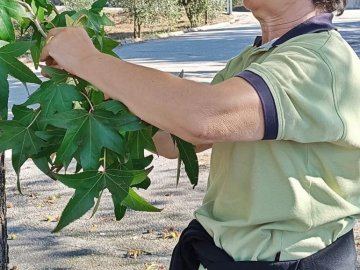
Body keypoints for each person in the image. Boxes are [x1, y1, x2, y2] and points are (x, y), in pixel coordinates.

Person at [40, 0, 360, 269]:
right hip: (227, 254)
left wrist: (88, 59)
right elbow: (178, 140)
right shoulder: (253, 59)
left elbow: (204, 116)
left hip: (292, 262)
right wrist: (100, 90)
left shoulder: (320, 60)